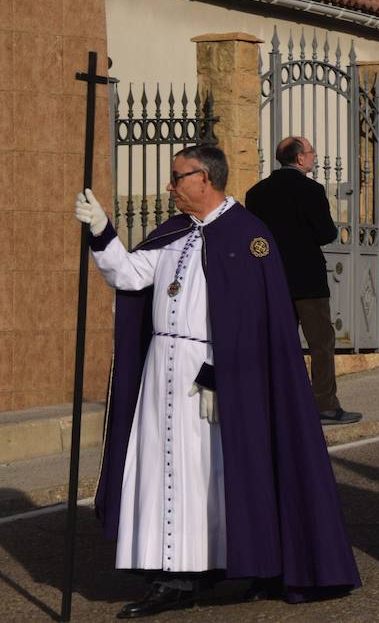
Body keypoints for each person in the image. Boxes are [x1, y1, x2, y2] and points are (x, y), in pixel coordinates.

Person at [74, 145, 360, 617]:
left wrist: (219, 373)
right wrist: (102, 230)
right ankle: (174, 571)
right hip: (162, 368)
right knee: (163, 471)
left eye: (177, 177)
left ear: (204, 178)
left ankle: (200, 572)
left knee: (207, 473)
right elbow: (128, 276)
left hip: (215, 378)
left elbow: (257, 321)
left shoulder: (249, 236)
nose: (170, 186)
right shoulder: (172, 233)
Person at [245, 137, 360, 425]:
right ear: (299, 159)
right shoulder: (312, 190)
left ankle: (275, 404)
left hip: (271, 278)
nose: (314, 155)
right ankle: (325, 404)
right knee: (321, 342)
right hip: (308, 279)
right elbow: (325, 234)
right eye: (310, 152)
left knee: (278, 343)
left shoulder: (256, 193)